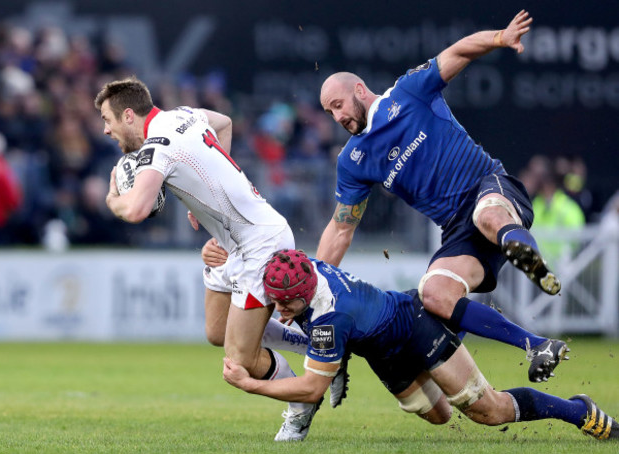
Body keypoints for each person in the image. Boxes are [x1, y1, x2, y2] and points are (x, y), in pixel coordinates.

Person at [316, 10, 567, 382]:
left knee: (487, 215)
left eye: (337, 105)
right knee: (433, 293)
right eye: (328, 112)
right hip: (457, 230)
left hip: (490, 186)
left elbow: (459, 51)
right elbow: (341, 229)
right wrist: (317, 283)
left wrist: (501, 37)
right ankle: (537, 344)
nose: (335, 117)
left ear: (358, 90)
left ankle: (530, 259)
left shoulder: (408, 91)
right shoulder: (354, 161)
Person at [94, 77, 342, 441]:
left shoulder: (157, 146)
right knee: (216, 332)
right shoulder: (184, 114)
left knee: (239, 362)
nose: (105, 129)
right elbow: (223, 122)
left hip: (260, 244)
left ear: (128, 115)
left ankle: (301, 405)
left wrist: (112, 197)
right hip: (235, 244)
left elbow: (135, 210)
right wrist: (208, 188)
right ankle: (317, 346)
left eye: (108, 119)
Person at [223, 249, 618, 442]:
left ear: (306, 292)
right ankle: (452, 334)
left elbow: (310, 389)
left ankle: (578, 411)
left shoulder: (330, 317)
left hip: (413, 328)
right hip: (383, 352)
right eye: (275, 301)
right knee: (440, 416)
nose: (280, 310)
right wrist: (225, 256)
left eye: (286, 302)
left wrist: (249, 384)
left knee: (487, 411)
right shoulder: (302, 266)